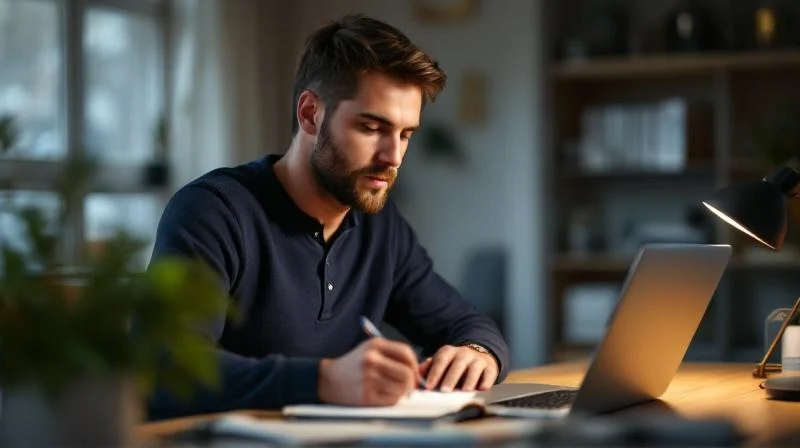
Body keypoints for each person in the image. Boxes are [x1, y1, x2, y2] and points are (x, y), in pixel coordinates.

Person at [146, 13, 509, 421]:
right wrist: (323, 380)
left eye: (406, 134)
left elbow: (468, 323)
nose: (393, 157)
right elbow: (168, 369)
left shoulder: (379, 226)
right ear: (310, 114)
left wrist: (477, 352)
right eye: (372, 128)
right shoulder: (212, 212)